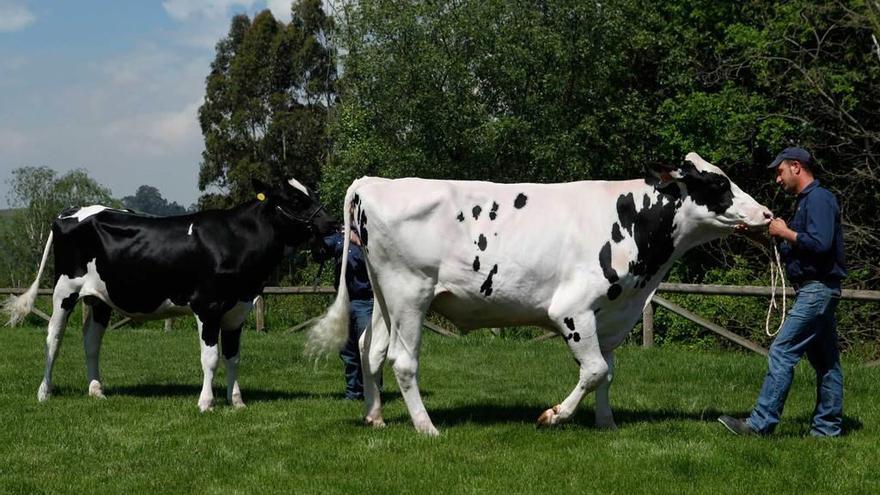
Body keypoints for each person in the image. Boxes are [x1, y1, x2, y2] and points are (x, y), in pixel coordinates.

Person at [719, 146, 847, 437]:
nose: (778, 179)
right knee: (827, 364)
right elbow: (797, 249)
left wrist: (786, 232)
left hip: (817, 290)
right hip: (818, 290)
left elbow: (821, 243)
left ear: (796, 167)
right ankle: (827, 430)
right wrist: (759, 234)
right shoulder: (807, 202)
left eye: (780, 172)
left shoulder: (819, 200)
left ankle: (760, 425)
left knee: (781, 351)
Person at [323, 227, 374, 400]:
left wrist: (357, 241)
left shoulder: (369, 236)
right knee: (348, 351)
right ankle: (353, 393)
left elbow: (373, 261)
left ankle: (373, 392)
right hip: (343, 301)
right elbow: (321, 251)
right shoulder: (338, 238)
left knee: (368, 348)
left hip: (365, 300)